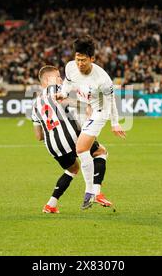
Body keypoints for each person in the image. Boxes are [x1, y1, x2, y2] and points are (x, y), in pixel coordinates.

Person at [56, 36, 126, 210]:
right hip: (84, 110)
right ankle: (98, 191)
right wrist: (63, 93)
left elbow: (111, 102)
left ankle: (90, 192)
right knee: (99, 152)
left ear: (92, 59)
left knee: (80, 148)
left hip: (99, 112)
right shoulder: (71, 67)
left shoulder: (103, 79)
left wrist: (114, 123)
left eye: (83, 60)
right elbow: (68, 82)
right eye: (77, 59)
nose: (79, 63)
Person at [32, 65, 112, 214]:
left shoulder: (35, 104)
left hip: (53, 146)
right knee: (101, 152)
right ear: (47, 80)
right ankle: (96, 192)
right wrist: (87, 107)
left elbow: (38, 136)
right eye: (57, 76)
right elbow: (70, 102)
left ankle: (51, 204)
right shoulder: (57, 89)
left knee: (73, 169)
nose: (61, 79)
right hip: (72, 137)